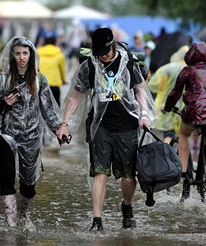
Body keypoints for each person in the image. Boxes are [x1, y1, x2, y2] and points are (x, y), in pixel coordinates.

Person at [56, 28, 156, 231]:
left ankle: (127, 207)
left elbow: (139, 89)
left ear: (112, 45)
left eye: (106, 51)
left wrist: (144, 114)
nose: (102, 56)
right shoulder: (90, 65)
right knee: (100, 173)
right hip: (100, 126)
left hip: (127, 125)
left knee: (128, 176)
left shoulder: (128, 62)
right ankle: (97, 220)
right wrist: (65, 123)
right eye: (98, 52)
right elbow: (75, 95)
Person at [0, 36, 63, 227]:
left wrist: (59, 130)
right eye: (17, 53)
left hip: (32, 136)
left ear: (31, 55)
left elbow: (48, 110)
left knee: (28, 186)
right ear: (12, 56)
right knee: (7, 180)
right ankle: (10, 224)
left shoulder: (40, 80)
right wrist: (3, 103)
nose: (21, 57)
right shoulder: (3, 78)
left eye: (25, 53)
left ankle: (22, 213)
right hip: (6, 134)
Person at [162, 42, 206, 201]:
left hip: (194, 113)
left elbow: (175, 93)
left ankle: (184, 174)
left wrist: (168, 106)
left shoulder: (188, 71)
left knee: (184, 134)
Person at [148, 45, 189, 144]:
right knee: (173, 134)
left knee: (159, 136)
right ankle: (168, 155)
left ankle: (163, 155)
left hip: (163, 105)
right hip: (181, 107)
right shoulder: (189, 70)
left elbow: (152, 85)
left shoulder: (167, 68)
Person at [37, 35, 66, 106]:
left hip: (42, 84)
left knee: (42, 105)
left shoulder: (38, 53)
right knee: (56, 105)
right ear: (55, 43)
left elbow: (36, 68)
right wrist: (63, 80)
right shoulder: (59, 55)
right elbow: (62, 70)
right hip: (55, 84)